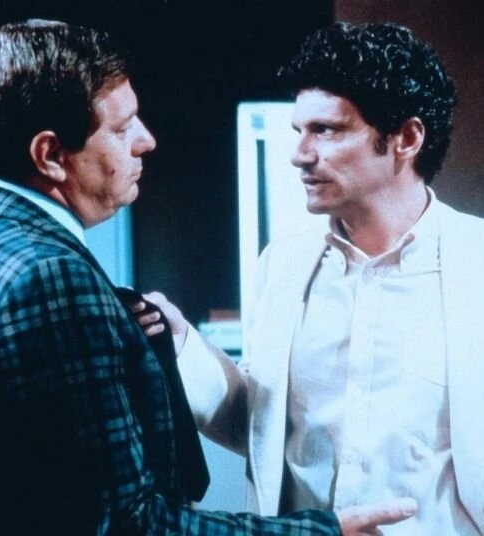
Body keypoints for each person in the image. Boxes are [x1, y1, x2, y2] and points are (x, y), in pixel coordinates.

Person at [0, 18, 414, 536]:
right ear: (51, 155)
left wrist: (151, 347)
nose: (146, 140)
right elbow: (129, 524)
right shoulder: (52, 279)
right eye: (121, 128)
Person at [136, 21, 483, 535]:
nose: (300, 154)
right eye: (299, 131)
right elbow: (260, 428)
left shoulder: (476, 263)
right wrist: (184, 344)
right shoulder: (284, 264)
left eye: (327, 130)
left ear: (407, 138)